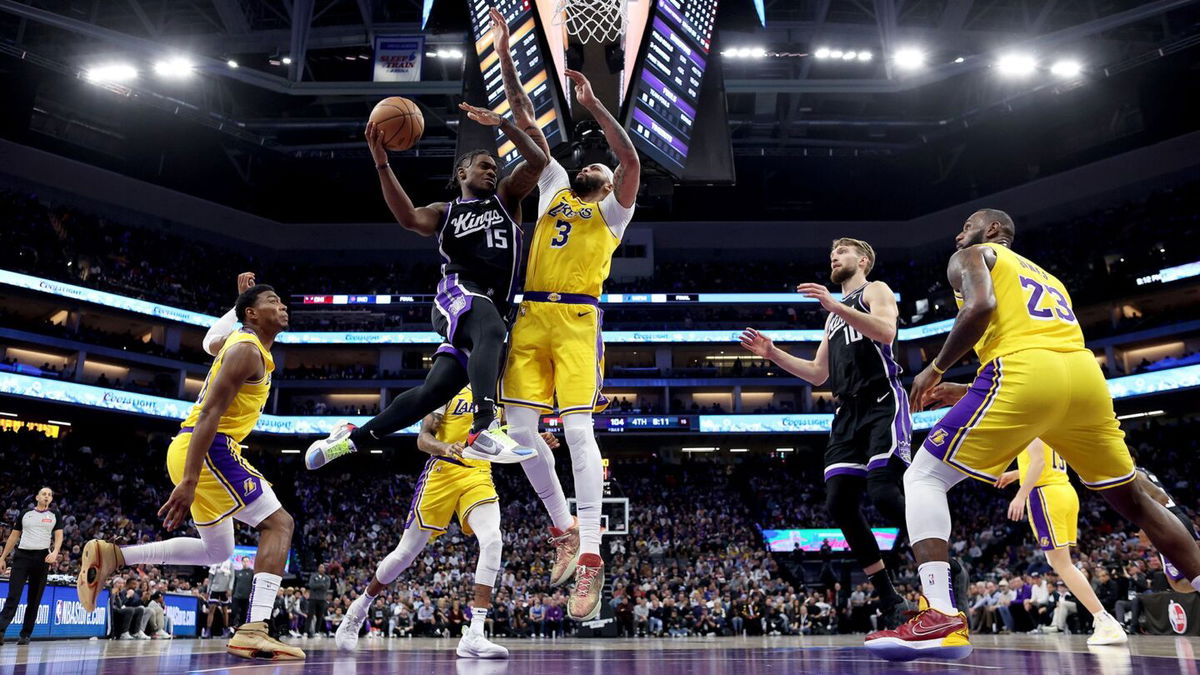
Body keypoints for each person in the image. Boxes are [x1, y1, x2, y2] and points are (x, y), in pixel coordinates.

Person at [865, 209, 1200, 661]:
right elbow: (1045, 368)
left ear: (994, 231)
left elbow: (982, 310)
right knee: (1134, 502)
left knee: (924, 477)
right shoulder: (1049, 277)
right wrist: (967, 390)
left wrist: (935, 368)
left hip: (1023, 371)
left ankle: (940, 614)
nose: (959, 233)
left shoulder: (971, 255)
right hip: (1083, 377)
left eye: (968, 225)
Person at [304, 74, 550, 468]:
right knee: (490, 326)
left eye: (495, 167)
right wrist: (382, 162)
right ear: (462, 175)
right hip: (460, 294)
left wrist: (503, 124)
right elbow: (408, 218)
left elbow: (538, 160)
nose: (492, 171)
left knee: (432, 393)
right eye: (484, 166)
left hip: (492, 308)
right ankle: (483, 426)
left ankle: (350, 440)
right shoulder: (445, 211)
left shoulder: (507, 199)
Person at [487, 8, 640, 622]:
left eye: (597, 167)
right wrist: (502, 54)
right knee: (522, 436)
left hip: (578, 321)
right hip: (529, 319)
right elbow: (526, 120)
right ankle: (564, 530)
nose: (592, 166)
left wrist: (599, 107)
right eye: (588, 163)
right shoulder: (553, 187)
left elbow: (629, 161)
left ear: (605, 183)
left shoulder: (613, 212)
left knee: (579, 433)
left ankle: (594, 562)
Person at [76, 281, 304, 661]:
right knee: (280, 524)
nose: (282, 305)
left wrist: (235, 304)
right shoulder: (246, 351)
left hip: (192, 447)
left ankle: (115, 556)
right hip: (210, 447)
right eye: (271, 301)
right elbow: (211, 414)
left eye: (282, 299)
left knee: (219, 550)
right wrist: (190, 480)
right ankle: (254, 630)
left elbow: (208, 341)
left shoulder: (241, 343)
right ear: (253, 314)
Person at [740, 237, 910, 625]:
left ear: (863, 259)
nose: (834, 256)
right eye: (832, 253)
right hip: (847, 411)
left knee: (884, 493)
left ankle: (944, 562)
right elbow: (819, 374)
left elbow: (886, 332)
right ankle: (889, 597)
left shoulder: (875, 289)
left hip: (882, 400)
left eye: (843, 251)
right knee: (838, 503)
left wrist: (835, 305)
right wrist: (772, 353)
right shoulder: (832, 317)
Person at [335, 386, 560, 658]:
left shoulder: (496, 395)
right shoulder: (449, 387)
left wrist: (535, 440)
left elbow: (508, 437)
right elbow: (423, 438)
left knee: (493, 540)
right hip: (442, 471)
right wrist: (445, 447)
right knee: (404, 554)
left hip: (478, 475)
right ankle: (359, 608)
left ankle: (475, 633)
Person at [993, 439, 1127, 644]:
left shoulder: (1032, 423)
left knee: (1062, 564)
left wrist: (1020, 496)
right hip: (1064, 490)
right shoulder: (1050, 424)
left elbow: (1038, 463)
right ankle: (1102, 619)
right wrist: (1016, 474)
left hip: (1046, 494)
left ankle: (1104, 620)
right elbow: (1043, 462)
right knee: (1060, 563)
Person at [0, 487, 63, 645]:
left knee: (34, 598)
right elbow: (14, 536)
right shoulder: (25, 513)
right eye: (44, 494)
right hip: (22, 556)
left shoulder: (55, 515)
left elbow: (59, 536)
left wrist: (55, 552)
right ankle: (0, 629)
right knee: (13, 595)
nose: (47, 496)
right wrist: (2, 557)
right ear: (37, 497)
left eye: (49, 494)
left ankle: (26, 634)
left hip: (42, 558)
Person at [1131, 462, 1200, 594]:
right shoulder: (1145, 470)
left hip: (1167, 521)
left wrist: (1146, 528)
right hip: (1177, 517)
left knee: (1178, 582)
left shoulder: (1134, 472)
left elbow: (1158, 497)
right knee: (1191, 573)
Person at [307, 563, 331, 638]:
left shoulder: (327, 578)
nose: (321, 568)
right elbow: (311, 585)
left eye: (322, 567)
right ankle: (306, 632)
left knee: (320, 616)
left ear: (324, 569)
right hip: (313, 598)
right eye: (320, 567)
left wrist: (317, 585)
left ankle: (317, 631)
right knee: (310, 615)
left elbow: (326, 587)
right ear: (318, 568)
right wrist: (321, 585)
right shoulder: (313, 576)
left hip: (322, 599)